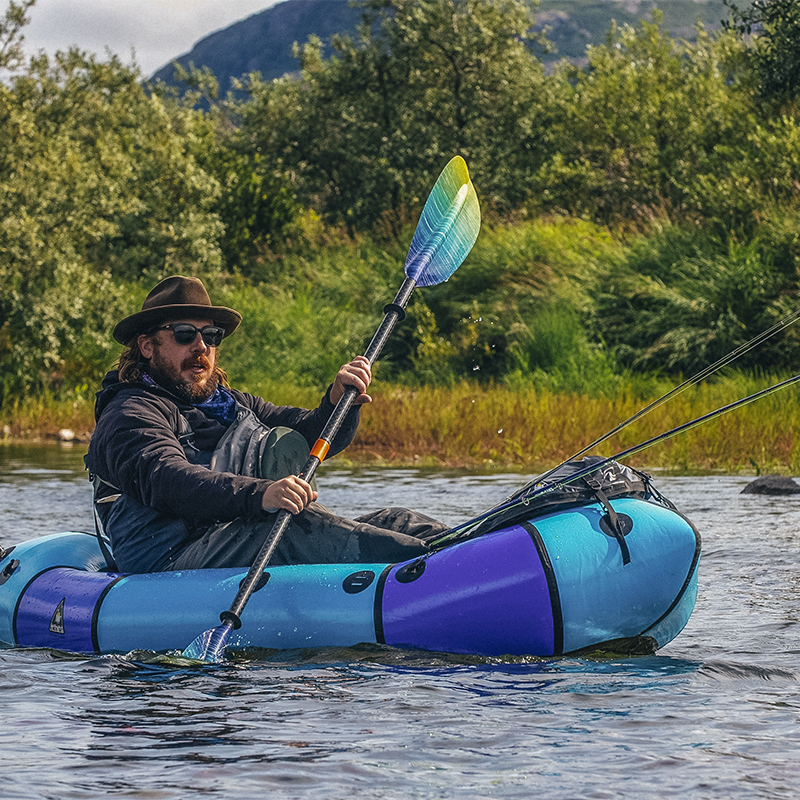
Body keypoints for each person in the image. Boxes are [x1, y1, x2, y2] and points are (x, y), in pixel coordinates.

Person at [86, 275, 448, 573]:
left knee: (397, 520)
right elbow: (169, 479)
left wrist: (338, 402)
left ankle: (480, 548)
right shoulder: (130, 413)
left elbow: (309, 436)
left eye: (211, 337)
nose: (201, 346)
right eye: (184, 334)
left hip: (235, 535)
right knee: (293, 527)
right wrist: (261, 494)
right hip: (169, 560)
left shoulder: (235, 404)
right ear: (148, 346)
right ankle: (441, 569)